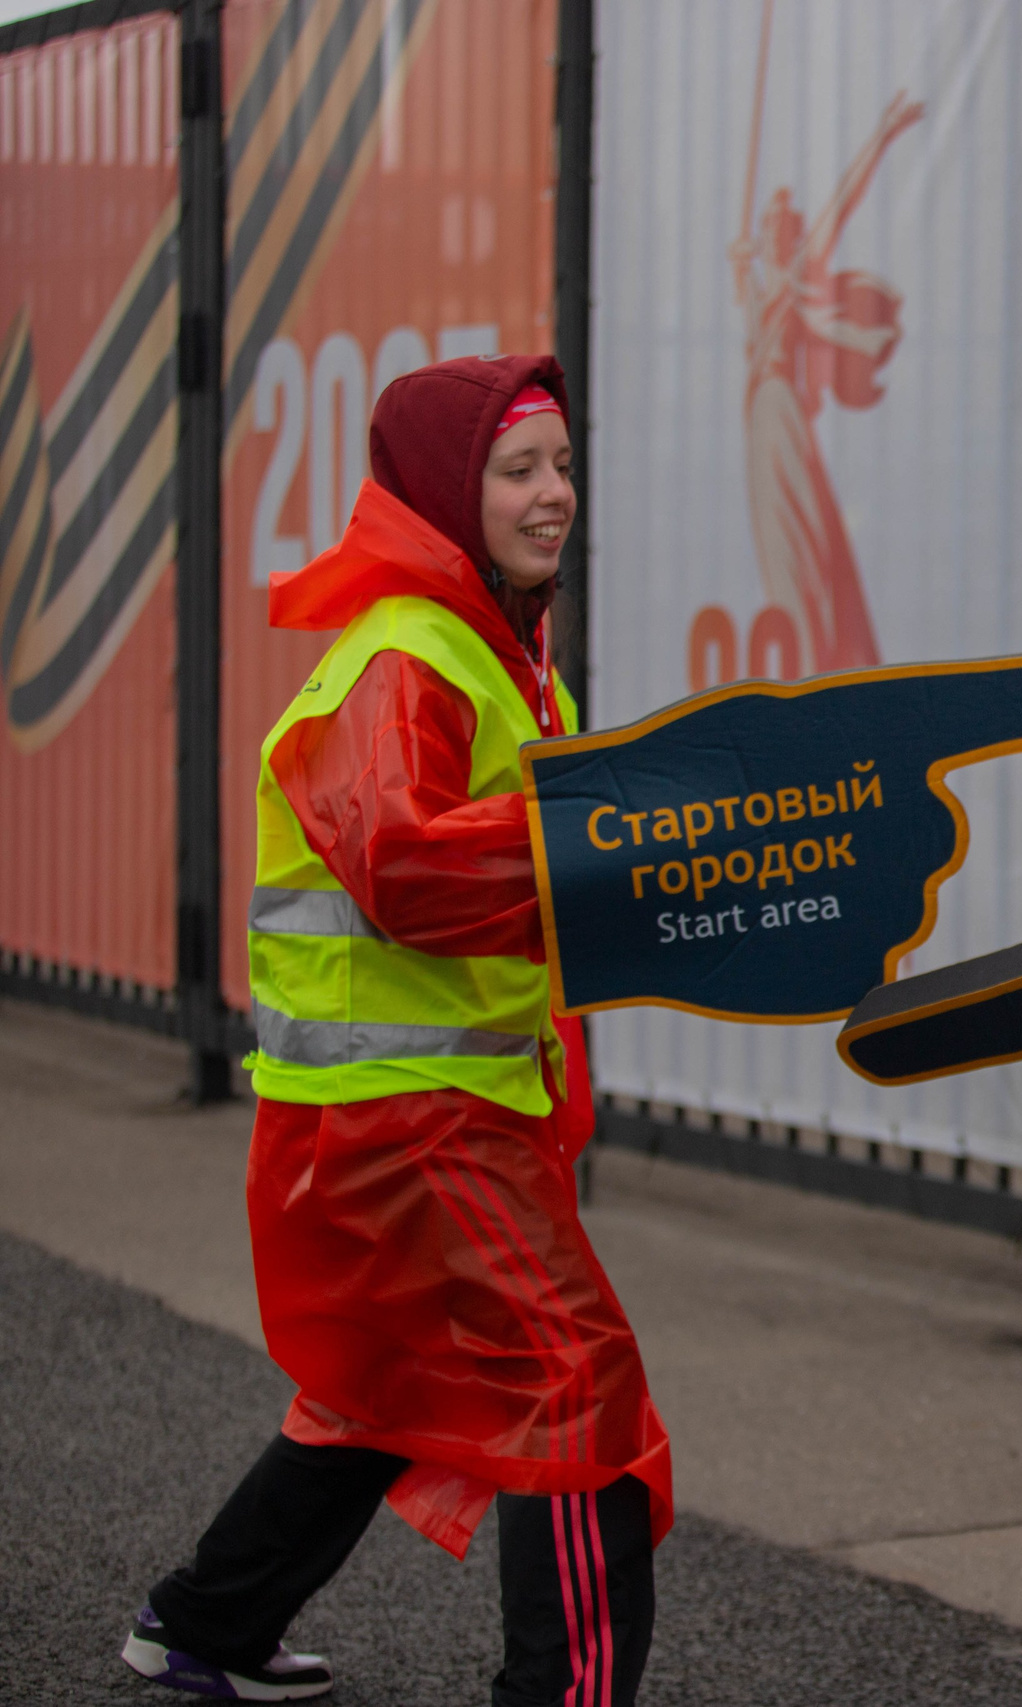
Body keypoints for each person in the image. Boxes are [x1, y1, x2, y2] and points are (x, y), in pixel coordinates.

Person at [122, 355, 671, 1704]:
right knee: (570, 1377)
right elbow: (406, 864)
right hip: (410, 1124)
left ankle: (203, 1623)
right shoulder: (407, 661)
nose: (555, 495)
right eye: (518, 469)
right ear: (444, 490)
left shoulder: (489, 656)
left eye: (560, 463)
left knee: (381, 1385)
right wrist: (608, 847)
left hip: (421, 1115)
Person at [729, 92, 925, 677]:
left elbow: (844, 198)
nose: (777, 237)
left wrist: (883, 132)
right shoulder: (765, 291)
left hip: (780, 415)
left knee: (802, 537)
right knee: (781, 542)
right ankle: (802, 649)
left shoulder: (796, 279)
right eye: (771, 230)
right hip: (763, 421)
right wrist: (743, 278)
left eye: (781, 230)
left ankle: (817, 654)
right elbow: (752, 335)